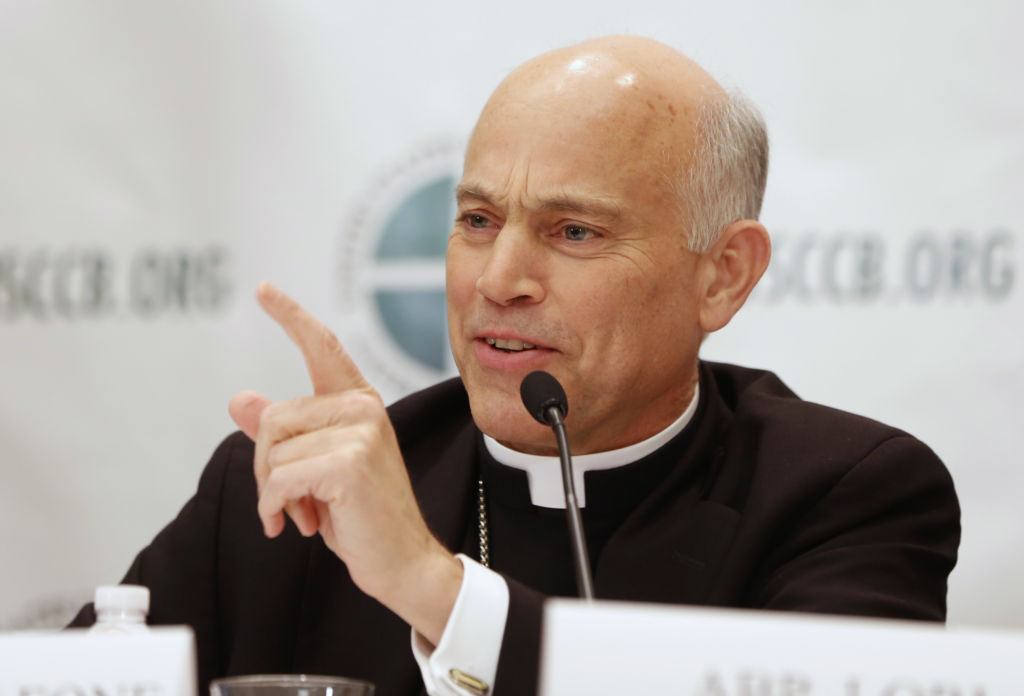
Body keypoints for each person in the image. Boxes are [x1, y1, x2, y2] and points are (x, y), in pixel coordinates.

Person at [71, 36, 960, 696]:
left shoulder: (847, 499)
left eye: (574, 231)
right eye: (478, 221)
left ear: (723, 275)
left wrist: (431, 587)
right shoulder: (293, 491)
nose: (499, 280)